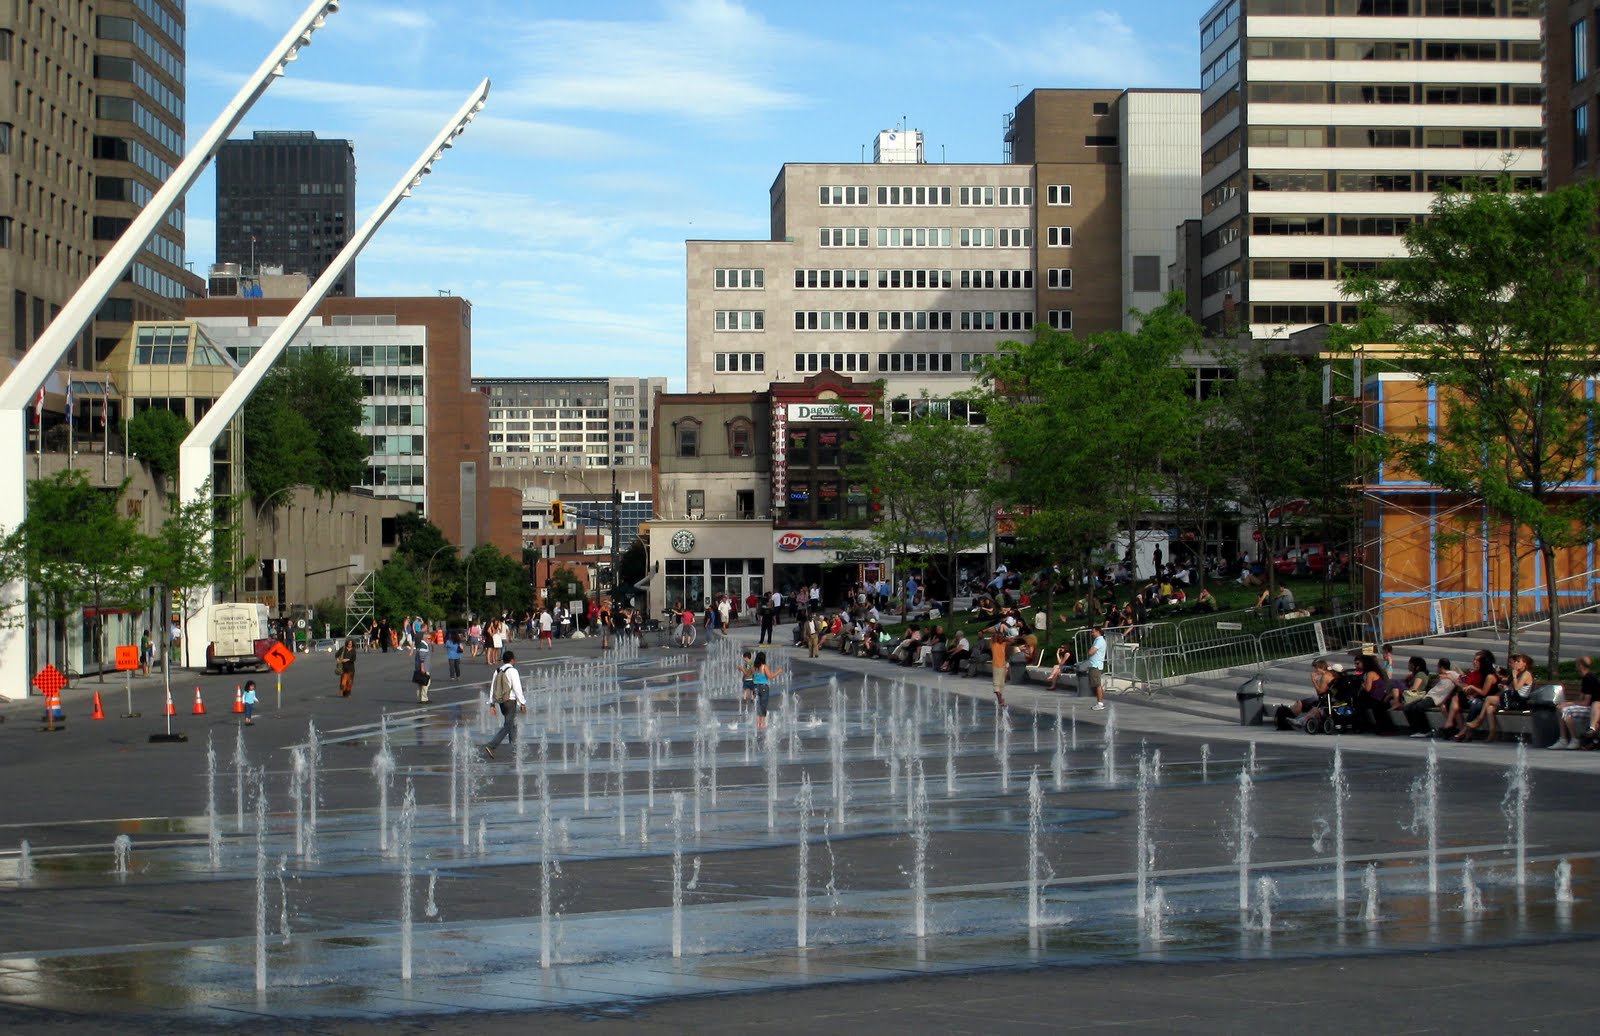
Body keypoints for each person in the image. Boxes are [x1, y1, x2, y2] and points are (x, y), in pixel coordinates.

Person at [480, 650, 525, 760]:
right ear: (512, 659)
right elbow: (517, 688)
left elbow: (493, 688)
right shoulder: (513, 671)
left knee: (512, 725)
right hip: (510, 701)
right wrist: (522, 702)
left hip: (501, 702)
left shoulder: (497, 671)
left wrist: (492, 704)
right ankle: (491, 746)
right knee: (508, 726)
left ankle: (515, 750)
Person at [1404, 659, 1459, 737]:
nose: (1437, 669)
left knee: (1418, 707)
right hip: (1428, 695)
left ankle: (1425, 730)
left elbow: (1462, 680)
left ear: (1441, 667)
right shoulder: (1441, 675)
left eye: (1438, 667)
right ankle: (1415, 729)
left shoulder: (1453, 674)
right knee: (1408, 707)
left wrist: (1451, 678)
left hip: (1436, 698)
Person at [1555, 655, 1599, 750]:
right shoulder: (1586, 677)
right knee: (1561, 708)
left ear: (1581, 666)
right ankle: (1563, 739)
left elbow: (1586, 702)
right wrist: (1569, 703)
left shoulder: (1589, 679)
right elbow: (1581, 699)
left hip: (1593, 710)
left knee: (1564, 710)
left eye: (1577, 664)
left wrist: (1568, 703)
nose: (1576, 666)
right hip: (1590, 707)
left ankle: (1574, 739)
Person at [753, 650, 782, 731]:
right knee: (763, 705)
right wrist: (778, 672)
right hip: (763, 687)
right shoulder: (764, 666)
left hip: (755, 687)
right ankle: (762, 724)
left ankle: (758, 724)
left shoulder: (754, 667)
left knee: (758, 705)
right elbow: (771, 676)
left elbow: (752, 677)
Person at [987, 625, 1011, 709]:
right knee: (996, 684)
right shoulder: (994, 644)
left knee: (1001, 684)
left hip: (1003, 666)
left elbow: (1010, 641)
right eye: (1000, 637)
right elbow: (992, 638)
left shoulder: (1003, 644)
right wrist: (996, 633)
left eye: (1002, 637)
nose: (1002, 638)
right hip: (996, 666)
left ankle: (1000, 699)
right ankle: (1000, 700)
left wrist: (1004, 638)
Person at [1084, 624, 1107, 710]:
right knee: (1095, 684)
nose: (1092, 634)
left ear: (1098, 632)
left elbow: (1091, 652)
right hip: (1094, 665)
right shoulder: (1098, 640)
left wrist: (1090, 651)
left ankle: (1100, 703)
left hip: (1096, 665)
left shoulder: (1099, 641)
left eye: (1093, 632)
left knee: (1097, 684)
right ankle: (1099, 702)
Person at [413, 635, 432, 704]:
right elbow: (422, 658)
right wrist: (422, 667)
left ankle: (420, 698)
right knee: (426, 682)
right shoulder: (423, 646)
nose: (430, 640)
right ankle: (424, 698)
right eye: (429, 638)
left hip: (419, 667)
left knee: (420, 683)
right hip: (424, 667)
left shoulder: (421, 645)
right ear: (425, 638)